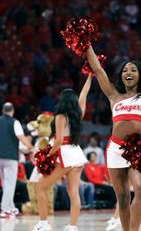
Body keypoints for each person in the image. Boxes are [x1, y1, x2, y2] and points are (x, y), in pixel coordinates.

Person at [87, 45, 141, 231]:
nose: (129, 72)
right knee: (123, 198)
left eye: (133, 69)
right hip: (115, 149)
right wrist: (87, 45)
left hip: (138, 150)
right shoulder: (114, 95)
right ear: (121, 76)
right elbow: (98, 69)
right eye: (125, 70)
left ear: (140, 75)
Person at [33, 74, 93, 231]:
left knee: (40, 187)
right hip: (77, 154)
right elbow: (84, 94)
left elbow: (58, 141)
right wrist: (90, 77)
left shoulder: (60, 116)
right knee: (73, 192)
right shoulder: (78, 114)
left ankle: (43, 223)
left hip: (65, 154)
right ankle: (73, 226)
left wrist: (47, 154)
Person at [0, 102, 34, 218]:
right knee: (10, 183)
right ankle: (5, 209)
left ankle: (11, 207)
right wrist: (31, 147)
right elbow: (21, 137)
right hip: (10, 157)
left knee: (6, 183)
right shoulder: (14, 122)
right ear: (12, 111)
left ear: (2, 110)